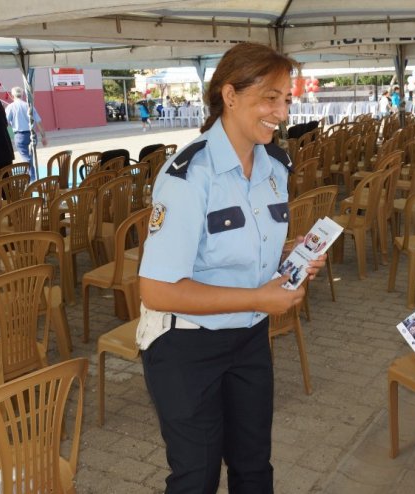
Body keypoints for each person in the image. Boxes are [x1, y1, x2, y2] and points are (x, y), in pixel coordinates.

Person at [137, 42, 326, 494]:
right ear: (230, 94)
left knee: (254, 466)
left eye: (286, 99)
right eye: (269, 98)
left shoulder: (275, 164)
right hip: (185, 345)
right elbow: (157, 291)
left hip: (247, 336)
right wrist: (261, 297)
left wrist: (288, 257)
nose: (281, 112)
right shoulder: (188, 175)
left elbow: (245, 248)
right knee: (196, 476)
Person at [5, 86, 47, 181]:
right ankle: (32, 177)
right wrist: (43, 136)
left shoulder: (10, 107)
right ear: (22, 94)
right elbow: (39, 121)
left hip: (20, 135)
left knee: (26, 158)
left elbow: (5, 123)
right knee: (30, 157)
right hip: (32, 134)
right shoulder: (29, 106)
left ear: (12, 95)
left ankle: (32, 178)